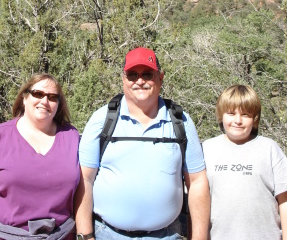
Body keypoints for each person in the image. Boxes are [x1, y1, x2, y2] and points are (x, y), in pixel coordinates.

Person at [75, 47, 210, 240]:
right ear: (123, 79)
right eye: (132, 75)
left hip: (166, 236)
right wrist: (85, 235)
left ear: (160, 77)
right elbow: (85, 180)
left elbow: (197, 182)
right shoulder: (101, 120)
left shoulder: (181, 122)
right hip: (107, 234)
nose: (139, 81)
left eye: (147, 74)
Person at [0, 73, 80, 240]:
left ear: (59, 104)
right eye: (38, 94)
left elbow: (83, 189)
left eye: (52, 97)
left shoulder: (72, 137)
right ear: (24, 97)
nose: (45, 101)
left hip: (61, 235)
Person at [202, 84, 287, 240]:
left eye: (246, 114)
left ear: (254, 119)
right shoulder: (206, 149)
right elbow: (197, 203)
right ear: (221, 115)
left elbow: (284, 202)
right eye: (231, 113)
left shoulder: (270, 149)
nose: (238, 120)